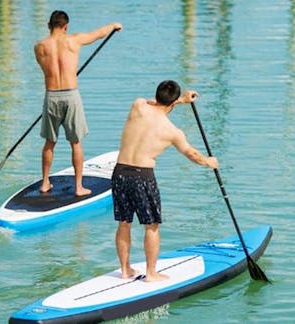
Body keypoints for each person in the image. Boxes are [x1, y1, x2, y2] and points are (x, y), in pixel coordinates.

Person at [112, 80, 219, 282]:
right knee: (151, 225)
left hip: (120, 172)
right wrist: (208, 162)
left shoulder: (138, 106)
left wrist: (180, 100)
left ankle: (125, 269)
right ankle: (151, 273)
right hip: (142, 177)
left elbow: (155, 102)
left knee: (124, 222)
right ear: (172, 103)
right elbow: (191, 154)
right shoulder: (172, 131)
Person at [34, 10, 122, 196]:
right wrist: (114, 25)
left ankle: (44, 183)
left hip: (51, 96)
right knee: (75, 142)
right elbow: (98, 34)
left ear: (49, 26)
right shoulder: (74, 40)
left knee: (49, 142)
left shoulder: (39, 47)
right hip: (71, 95)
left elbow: (45, 69)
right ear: (66, 27)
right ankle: (79, 187)